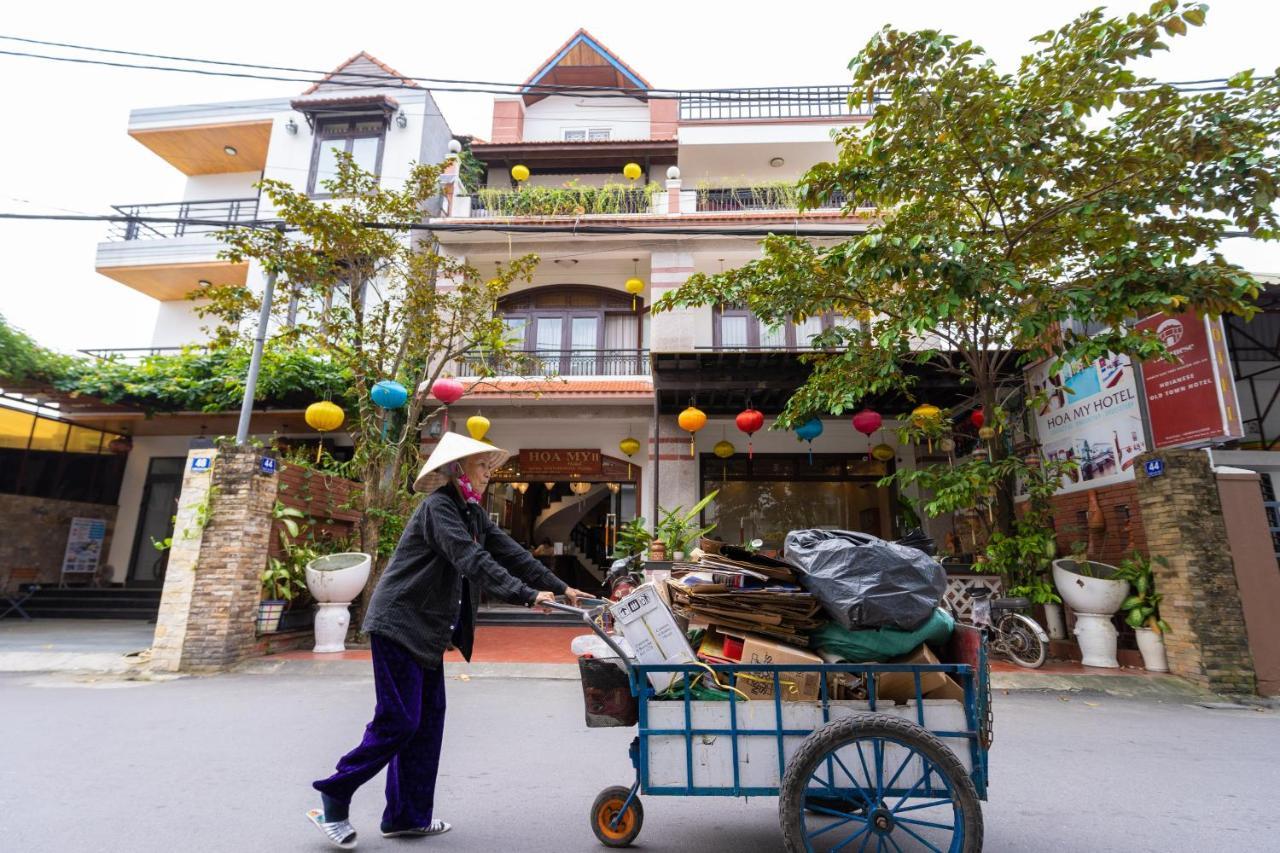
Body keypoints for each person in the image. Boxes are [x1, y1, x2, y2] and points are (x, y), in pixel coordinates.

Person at [307, 432, 584, 848]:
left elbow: (511, 552)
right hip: (400, 623)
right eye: (481, 467)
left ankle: (406, 816)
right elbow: (471, 560)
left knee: (427, 724)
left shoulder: (472, 512)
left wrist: (561, 587)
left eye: (491, 468)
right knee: (399, 721)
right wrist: (526, 595)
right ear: (457, 470)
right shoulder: (439, 507)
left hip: (430, 630)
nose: (489, 475)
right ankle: (335, 791)